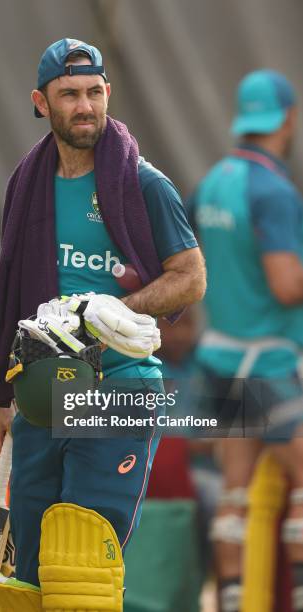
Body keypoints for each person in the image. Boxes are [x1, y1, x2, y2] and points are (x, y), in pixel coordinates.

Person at [0, 38, 206, 612]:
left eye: (94, 92)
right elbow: (7, 289)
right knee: (28, 572)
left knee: (80, 560)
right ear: (41, 102)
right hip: (42, 395)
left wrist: (112, 312)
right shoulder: (26, 184)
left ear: (108, 93)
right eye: (69, 94)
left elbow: (191, 277)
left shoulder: (145, 184)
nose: (85, 106)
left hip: (122, 385)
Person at [188, 69, 303, 612]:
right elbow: (286, 287)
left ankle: (232, 603)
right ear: (287, 118)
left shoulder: (211, 182)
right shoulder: (274, 190)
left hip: (220, 359)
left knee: (234, 493)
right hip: (267, 365)